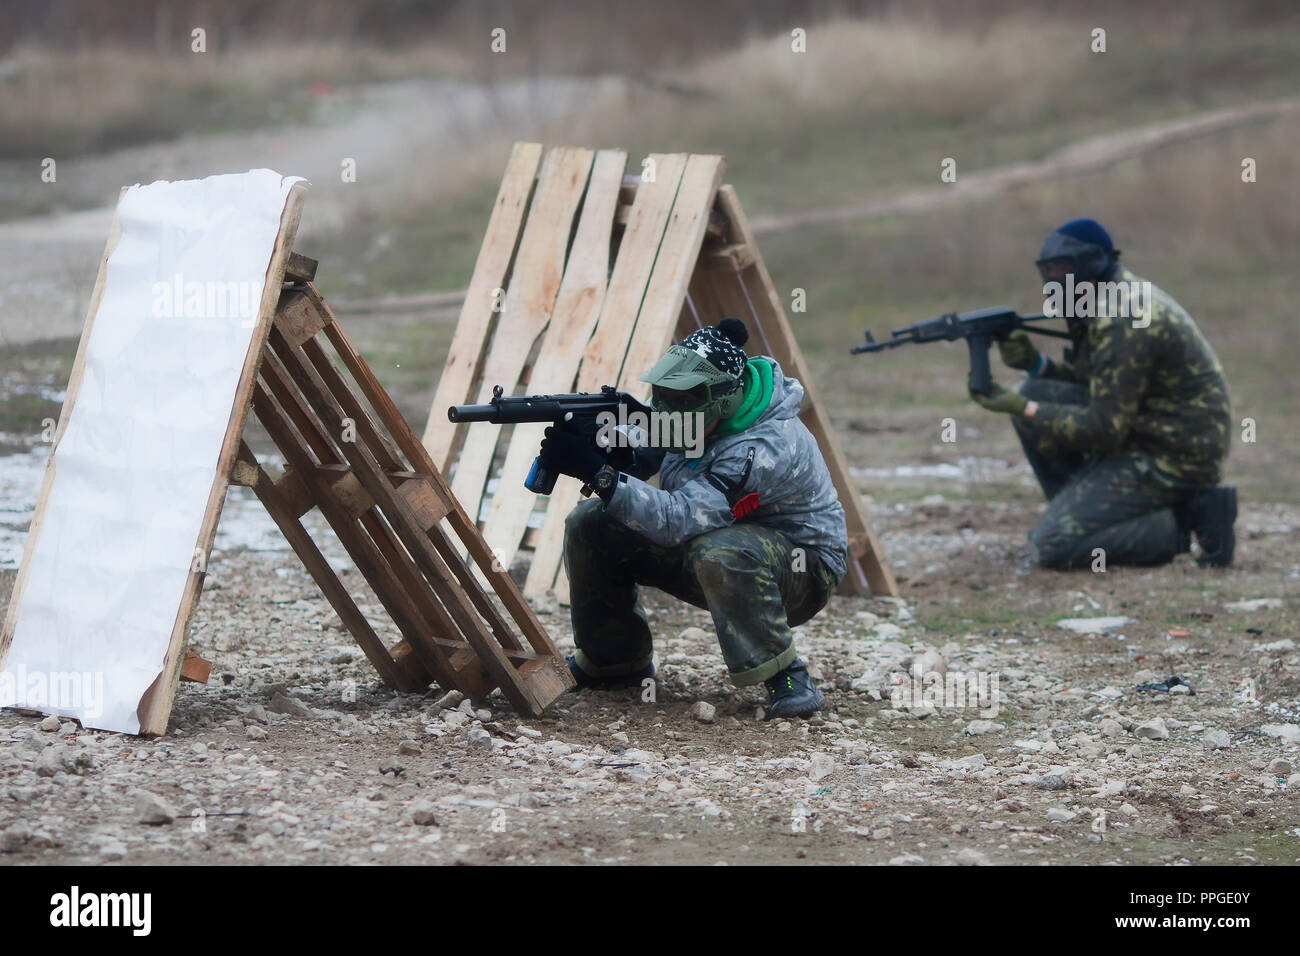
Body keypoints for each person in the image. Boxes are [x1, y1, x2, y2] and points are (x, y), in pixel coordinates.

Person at [539, 317, 847, 719]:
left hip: (803, 571)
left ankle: (787, 675)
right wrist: (604, 443)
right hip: (715, 543)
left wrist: (601, 475)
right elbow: (646, 440)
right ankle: (612, 661)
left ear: (720, 400)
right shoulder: (691, 406)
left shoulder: (763, 446)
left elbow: (679, 519)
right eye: (660, 393)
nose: (663, 407)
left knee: (719, 551)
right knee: (591, 523)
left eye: (676, 398)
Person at [969, 218, 1235, 569]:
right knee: (1036, 389)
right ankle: (1088, 513)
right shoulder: (1109, 297)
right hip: (1149, 429)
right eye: (1047, 271)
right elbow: (1101, 384)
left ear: (1091, 266)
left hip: (1175, 457)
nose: (1053, 281)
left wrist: (1026, 408)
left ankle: (1184, 522)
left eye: (1062, 270)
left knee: (1051, 545)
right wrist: (1038, 366)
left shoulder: (1123, 316)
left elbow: (1104, 428)